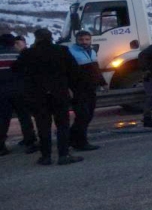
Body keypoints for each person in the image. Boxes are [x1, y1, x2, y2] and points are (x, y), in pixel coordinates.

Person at [13, 29, 83, 165]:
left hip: (37, 95)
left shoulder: (28, 53)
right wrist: (71, 88)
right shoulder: (62, 50)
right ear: (51, 37)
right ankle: (63, 154)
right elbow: (74, 71)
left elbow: (17, 69)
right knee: (62, 124)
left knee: (43, 126)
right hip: (59, 93)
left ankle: (46, 156)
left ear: (36, 38)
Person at [68, 31, 106, 151]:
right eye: (81, 39)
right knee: (82, 115)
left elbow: (96, 69)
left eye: (86, 39)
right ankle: (81, 143)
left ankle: (71, 138)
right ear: (76, 40)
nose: (84, 42)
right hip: (78, 89)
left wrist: (103, 82)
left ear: (90, 40)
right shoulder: (70, 52)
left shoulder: (92, 51)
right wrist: (68, 88)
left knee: (88, 115)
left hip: (91, 89)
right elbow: (67, 72)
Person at [0, 34, 38, 155]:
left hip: (2, 92)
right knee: (25, 117)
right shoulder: (20, 55)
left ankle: (1, 146)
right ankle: (30, 142)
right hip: (20, 91)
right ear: (13, 43)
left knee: (2, 120)